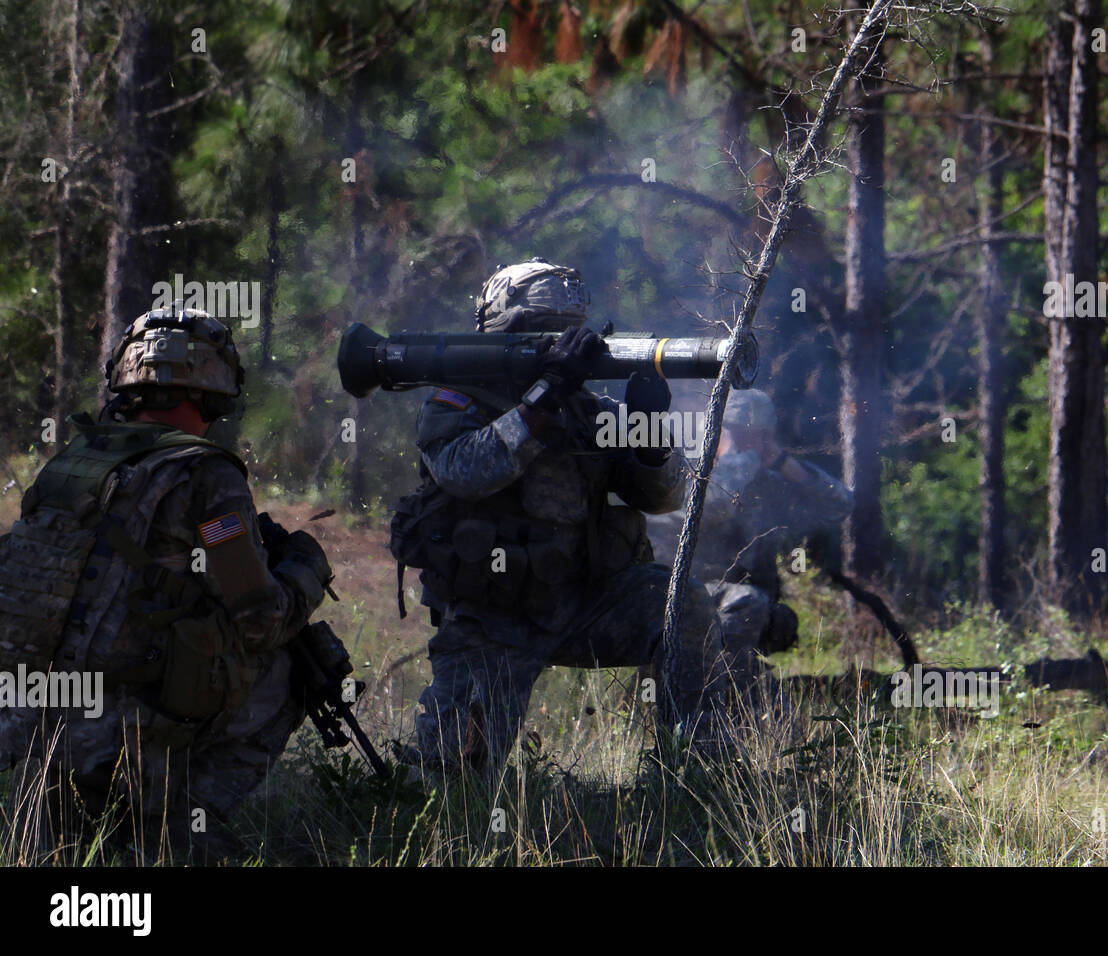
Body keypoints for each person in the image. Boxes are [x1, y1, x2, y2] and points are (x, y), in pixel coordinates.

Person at [0, 303, 333, 854]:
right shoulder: (206, 473)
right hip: (115, 731)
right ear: (213, 388)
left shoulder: (76, 459)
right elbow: (259, 619)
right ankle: (174, 832)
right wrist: (305, 567)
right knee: (296, 664)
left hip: (26, 716)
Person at [396, 258, 733, 773]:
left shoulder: (586, 410)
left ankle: (696, 772)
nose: (556, 344)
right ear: (503, 331)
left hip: (582, 602)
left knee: (681, 601)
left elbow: (665, 498)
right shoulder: (460, 400)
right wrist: (544, 396)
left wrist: (649, 432)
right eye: (540, 333)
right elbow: (465, 470)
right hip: (492, 619)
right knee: (451, 781)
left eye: (565, 335)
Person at [647, 389, 851, 683]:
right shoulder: (683, 472)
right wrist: (733, 458)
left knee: (773, 615)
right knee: (747, 603)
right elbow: (713, 504)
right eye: (736, 433)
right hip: (682, 600)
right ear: (713, 432)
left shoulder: (768, 486)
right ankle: (703, 683)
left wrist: (783, 463)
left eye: (757, 436)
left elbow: (839, 504)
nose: (748, 444)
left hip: (741, 608)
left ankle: (733, 682)